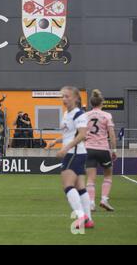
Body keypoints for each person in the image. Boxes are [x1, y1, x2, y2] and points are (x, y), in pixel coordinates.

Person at [48, 86, 94, 229]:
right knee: (80, 187)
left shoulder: (78, 114)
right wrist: (56, 141)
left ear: (76, 98)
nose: (64, 99)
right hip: (76, 152)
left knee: (67, 185)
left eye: (67, 96)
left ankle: (81, 217)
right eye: (63, 96)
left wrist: (65, 148)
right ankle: (89, 220)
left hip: (74, 153)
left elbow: (82, 134)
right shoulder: (66, 114)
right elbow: (69, 135)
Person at [85, 89, 117, 212]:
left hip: (89, 149)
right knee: (108, 175)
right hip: (103, 149)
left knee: (90, 178)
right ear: (101, 103)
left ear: (91, 104)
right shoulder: (107, 115)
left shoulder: (85, 116)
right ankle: (104, 199)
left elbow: (81, 133)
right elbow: (112, 134)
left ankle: (91, 203)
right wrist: (114, 150)